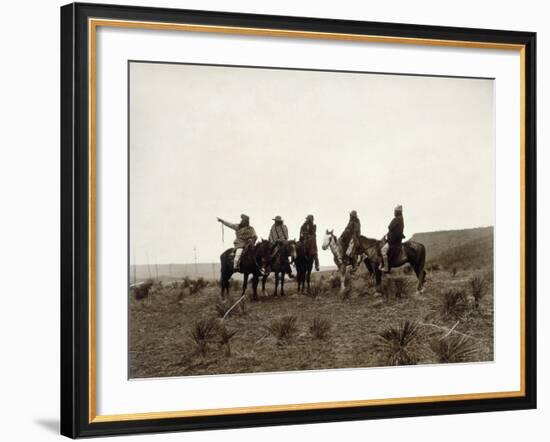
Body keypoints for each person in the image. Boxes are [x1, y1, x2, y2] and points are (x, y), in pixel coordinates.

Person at [379, 205, 405, 273]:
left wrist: (388, 239)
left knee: (383, 250)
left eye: (395, 211)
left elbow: (390, 227)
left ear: (397, 212)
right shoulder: (401, 218)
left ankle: (386, 268)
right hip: (395, 239)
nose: (394, 213)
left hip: (393, 241)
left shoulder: (397, 219)